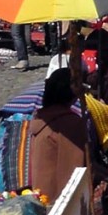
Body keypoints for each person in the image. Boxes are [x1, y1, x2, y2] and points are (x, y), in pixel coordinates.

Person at [29, 68, 88, 204]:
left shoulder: (42, 117)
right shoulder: (70, 123)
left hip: (41, 193)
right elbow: (74, 172)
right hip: (56, 201)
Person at [7, 0, 30, 71]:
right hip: (23, 6)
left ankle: (23, 59)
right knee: (21, 32)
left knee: (16, 33)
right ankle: (24, 57)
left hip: (19, 7)